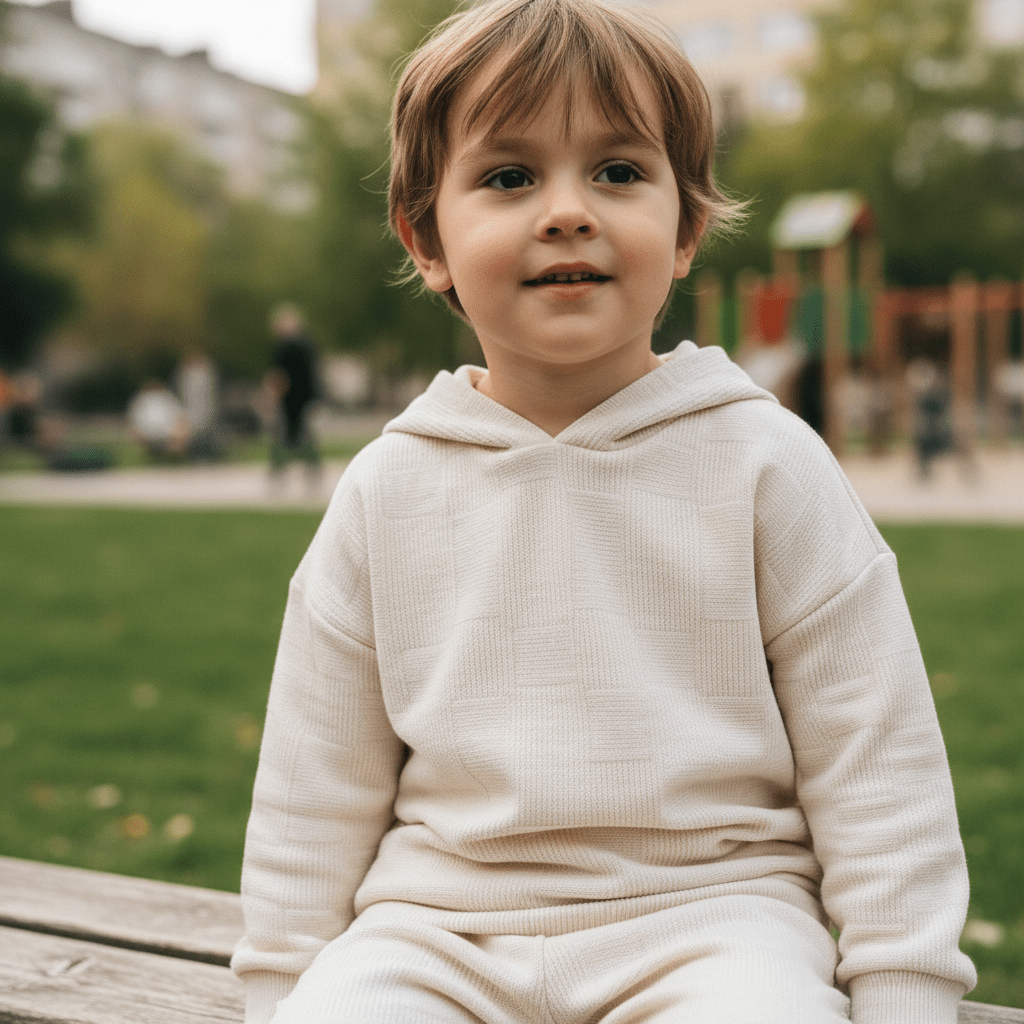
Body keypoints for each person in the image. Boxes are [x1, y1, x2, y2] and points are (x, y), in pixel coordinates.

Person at [232, 2, 976, 1022]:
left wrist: (901, 990)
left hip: (714, 918)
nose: (567, 210)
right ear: (427, 238)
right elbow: (310, 787)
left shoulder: (765, 461)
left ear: (684, 231)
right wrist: (286, 989)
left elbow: (876, 758)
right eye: (508, 176)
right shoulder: (386, 488)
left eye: (618, 171)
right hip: (437, 929)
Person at [265, 304, 321, 484]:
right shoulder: (308, 345)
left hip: (290, 398)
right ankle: (311, 469)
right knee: (303, 436)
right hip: (305, 397)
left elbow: (278, 376)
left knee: (285, 435)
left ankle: (279, 471)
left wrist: (272, 396)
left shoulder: (283, 348)